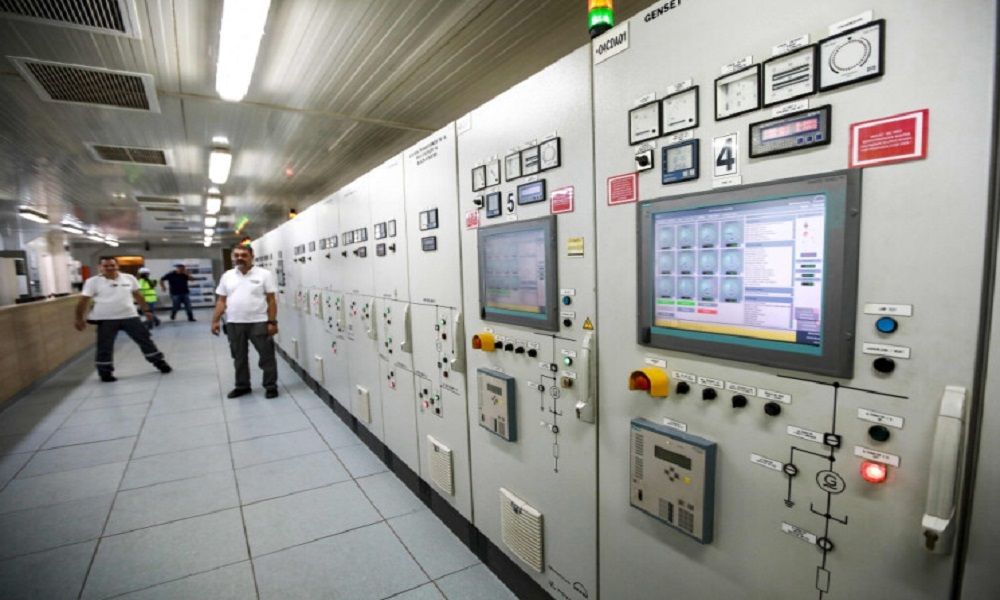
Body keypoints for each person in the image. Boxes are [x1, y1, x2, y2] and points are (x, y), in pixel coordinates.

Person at [75, 257, 172, 382]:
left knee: (145, 340)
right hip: (106, 319)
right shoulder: (92, 281)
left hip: (130, 316)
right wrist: (79, 318)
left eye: (112, 265)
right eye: (106, 266)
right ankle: (105, 372)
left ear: (117, 266)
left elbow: (138, 295)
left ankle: (159, 363)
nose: (110, 268)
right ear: (100, 267)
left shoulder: (129, 278)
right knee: (105, 346)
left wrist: (146, 310)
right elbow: (83, 301)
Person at [211, 244, 279, 398]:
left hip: (259, 322)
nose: (239, 258)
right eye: (236, 255)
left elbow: (271, 300)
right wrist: (215, 321)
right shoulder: (227, 276)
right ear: (232, 257)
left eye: (244, 255)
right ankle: (242, 386)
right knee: (239, 357)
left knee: (266, 356)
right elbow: (221, 300)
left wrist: (272, 322)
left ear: (251, 257)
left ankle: (270, 386)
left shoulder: (264, 274)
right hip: (234, 323)